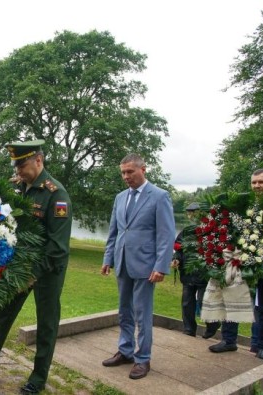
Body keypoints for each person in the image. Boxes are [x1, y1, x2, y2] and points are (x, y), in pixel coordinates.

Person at [0, 139, 72, 395]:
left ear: (39, 160)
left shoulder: (56, 194)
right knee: (4, 311)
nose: (18, 170)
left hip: (48, 269)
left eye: (23, 165)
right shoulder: (20, 188)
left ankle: (38, 378)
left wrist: (33, 275)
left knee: (47, 323)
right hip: (19, 264)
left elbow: (58, 247)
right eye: (16, 165)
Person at [100, 153, 175, 380]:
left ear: (143, 170)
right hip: (122, 263)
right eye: (123, 172)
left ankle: (143, 359)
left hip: (146, 266)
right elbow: (114, 231)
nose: (126, 176)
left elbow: (166, 234)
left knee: (142, 315)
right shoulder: (120, 197)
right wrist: (107, 258)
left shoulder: (160, 197)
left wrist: (161, 266)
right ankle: (125, 351)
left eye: (130, 172)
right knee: (124, 312)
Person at [209, 168, 263, 361]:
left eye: (262, 182)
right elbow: (231, 229)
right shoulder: (243, 204)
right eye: (254, 182)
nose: (257, 185)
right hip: (240, 261)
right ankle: (229, 340)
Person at [172, 203, 220, 338]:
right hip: (187, 272)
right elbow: (178, 249)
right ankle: (189, 329)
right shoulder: (186, 231)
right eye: (189, 213)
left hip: (204, 274)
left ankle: (213, 324)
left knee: (203, 302)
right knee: (187, 302)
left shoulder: (212, 231)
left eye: (193, 213)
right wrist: (176, 259)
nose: (190, 216)